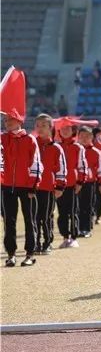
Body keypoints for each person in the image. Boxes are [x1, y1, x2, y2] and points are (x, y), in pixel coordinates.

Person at [1, 114, 43, 267]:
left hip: (27, 187)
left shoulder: (30, 139)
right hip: (7, 187)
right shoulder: (2, 139)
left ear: (19, 121)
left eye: (10, 120)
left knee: (29, 220)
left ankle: (30, 254)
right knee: (9, 222)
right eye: (5, 121)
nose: (7, 123)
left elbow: (36, 163)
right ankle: (11, 254)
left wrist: (33, 185)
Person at [33, 114, 67, 255]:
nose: (40, 128)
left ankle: (47, 243)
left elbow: (61, 168)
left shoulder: (56, 148)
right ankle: (35, 243)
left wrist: (60, 186)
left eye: (44, 125)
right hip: (31, 187)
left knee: (46, 217)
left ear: (50, 128)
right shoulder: (31, 144)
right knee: (33, 217)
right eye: (38, 125)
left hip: (48, 187)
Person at [56, 124, 86, 249]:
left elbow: (82, 165)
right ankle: (65, 236)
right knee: (62, 212)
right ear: (59, 131)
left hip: (73, 184)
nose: (65, 131)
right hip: (59, 184)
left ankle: (73, 237)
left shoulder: (78, 147)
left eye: (68, 129)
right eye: (63, 129)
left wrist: (80, 182)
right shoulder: (57, 146)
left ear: (73, 131)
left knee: (73, 211)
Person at [76, 127, 101, 238]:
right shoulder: (75, 149)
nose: (84, 139)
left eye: (87, 136)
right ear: (78, 137)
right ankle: (77, 228)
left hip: (89, 183)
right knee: (76, 207)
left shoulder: (96, 153)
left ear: (92, 138)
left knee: (87, 206)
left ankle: (86, 229)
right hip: (77, 183)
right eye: (82, 136)